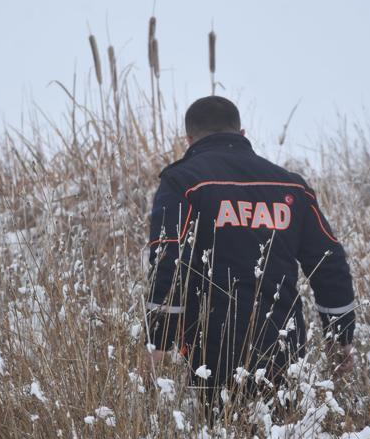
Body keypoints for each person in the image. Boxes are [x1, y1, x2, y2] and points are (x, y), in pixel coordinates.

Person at [144, 96, 356, 416]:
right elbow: (330, 263)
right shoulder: (291, 185)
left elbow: (169, 258)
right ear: (242, 133)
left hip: (212, 348)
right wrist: (340, 338)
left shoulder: (182, 181)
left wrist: (157, 344)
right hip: (284, 345)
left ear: (188, 139)